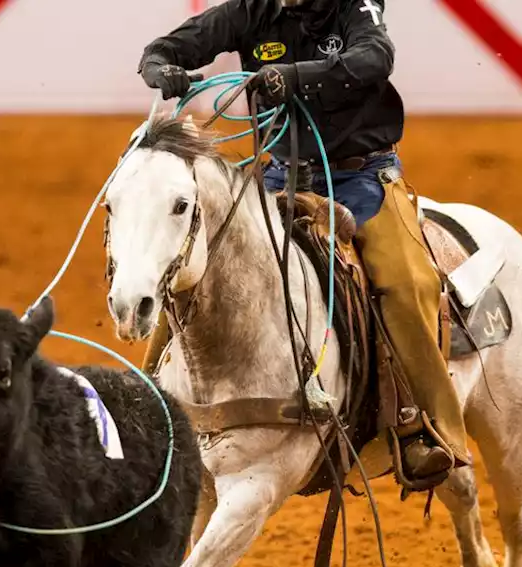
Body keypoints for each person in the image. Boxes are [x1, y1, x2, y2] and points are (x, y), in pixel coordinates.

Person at [137, 0, 465, 482]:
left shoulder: (355, 7)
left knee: (403, 281)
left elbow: (375, 56)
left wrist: (295, 75)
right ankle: (151, 414)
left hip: (363, 178)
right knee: (198, 267)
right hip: (280, 178)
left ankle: (424, 426)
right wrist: (159, 66)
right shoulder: (252, 11)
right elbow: (171, 46)